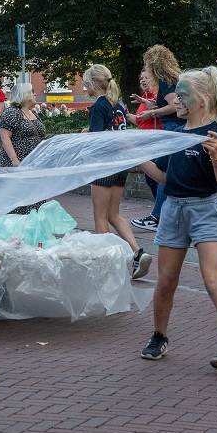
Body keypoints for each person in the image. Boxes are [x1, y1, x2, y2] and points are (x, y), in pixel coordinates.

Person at [137, 67, 217, 373]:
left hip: (205, 210)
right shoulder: (174, 134)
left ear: (203, 99)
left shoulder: (215, 134)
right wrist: (136, 157)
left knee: (213, 279)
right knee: (166, 281)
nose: (178, 101)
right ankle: (159, 336)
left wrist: (216, 157)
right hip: (173, 210)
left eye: (183, 95)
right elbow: (163, 176)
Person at [82, 65, 150, 278]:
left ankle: (108, 264)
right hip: (121, 165)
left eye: (86, 84)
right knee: (114, 214)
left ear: (94, 84)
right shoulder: (119, 105)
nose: (85, 87)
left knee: (100, 217)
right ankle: (137, 252)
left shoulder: (98, 106)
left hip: (104, 165)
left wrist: (85, 135)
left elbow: (97, 139)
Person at [131, 45, 182, 232]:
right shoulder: (172, 79)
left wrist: (151, 112)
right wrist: (147, 103)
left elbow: (174, 106)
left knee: (162, 173)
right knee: (160, 175)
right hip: (174, 128)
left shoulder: (164, 81)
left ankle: (157, 217)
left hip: (171, 128)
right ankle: (165, 214)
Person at [0, 82, 47, 214]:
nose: (35, 94)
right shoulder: (12, 113)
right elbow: (5, 137)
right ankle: (15, 231)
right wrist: (14, 160)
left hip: (32, 164)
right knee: (16, 199)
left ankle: (32, 229)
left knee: (34, 198)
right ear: (24, 95)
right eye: (32, 91)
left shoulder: (32, 113)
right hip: (18, 162)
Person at [128, 69, 162, 202]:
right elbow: (139, 121)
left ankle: (160, 211)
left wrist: (142, 100)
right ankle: (159, 208)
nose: (143, 80)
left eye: (146, 78)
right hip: (146, 143)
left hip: (156, 141)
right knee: (150, 178)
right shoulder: (144, 97)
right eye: (141, 78)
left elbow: (154, 109)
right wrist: (126, 115)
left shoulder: (156, 94)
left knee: (156, 177)